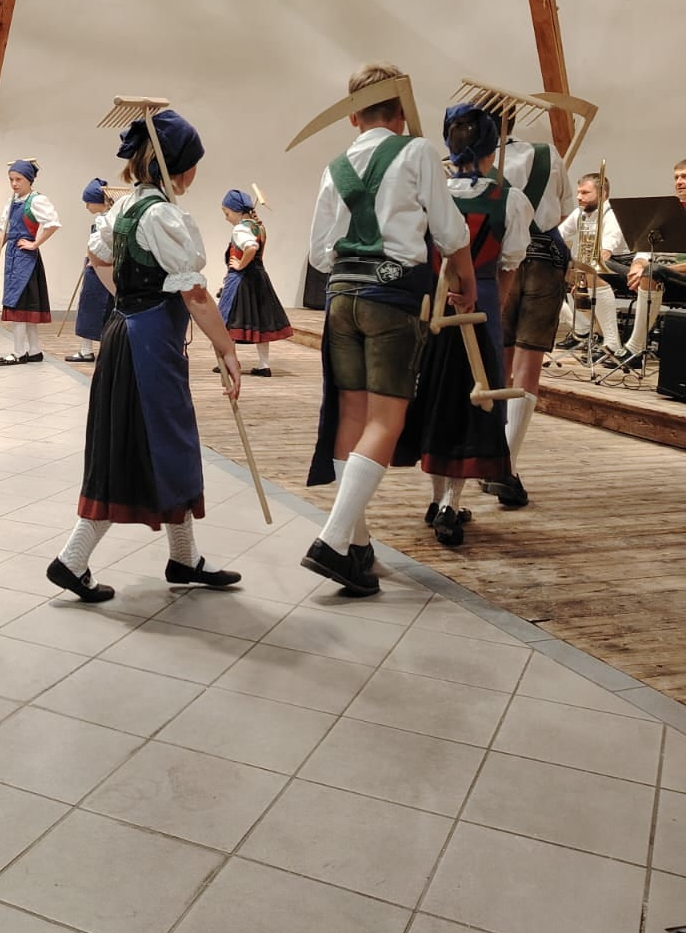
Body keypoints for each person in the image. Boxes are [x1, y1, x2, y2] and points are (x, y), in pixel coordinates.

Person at [47, 109, 242, 604]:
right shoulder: (163, 215)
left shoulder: (126, 207)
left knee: (160, 444)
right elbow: (195, 293)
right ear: (181, 168)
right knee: (146, 447)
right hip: (147, 347)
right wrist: (226, 347)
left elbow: (98, 256)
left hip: (126, 334)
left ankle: (184, 558)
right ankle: (72, 560)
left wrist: (129, 299)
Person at [304, 63, 474, 595]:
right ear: (402, 111)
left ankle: (356, 545)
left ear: (353, 116)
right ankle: (332, 541)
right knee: (386, 419)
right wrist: (466, 283)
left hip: (340, 297)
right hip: (393, 296)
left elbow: (319, 253)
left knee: (351, 415)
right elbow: (450, 232)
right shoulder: (419, 151)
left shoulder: (335, 166)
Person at [399, 106, 533, 548]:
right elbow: (510, 265)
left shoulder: (429, 196)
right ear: (492, 149)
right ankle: (449, 505)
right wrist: (492, 300)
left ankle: (437, 498)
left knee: (436, 397)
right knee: (472, 405)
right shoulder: (509, 199)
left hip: (433, 307)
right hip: (483, 305)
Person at [496, 117, 575, 507]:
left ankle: (486, 458)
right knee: (528, 366)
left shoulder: (476, 160)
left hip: (500, 262)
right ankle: (506, 468)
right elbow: (563, 212)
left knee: (498, 364)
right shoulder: (547, 154)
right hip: (545, 259)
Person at [614, 156, 686, 371]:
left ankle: (635, 348)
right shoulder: (669, 211)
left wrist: (652, 269)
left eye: (684, 177)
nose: (679, 182)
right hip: (652, 271)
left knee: (653, 270)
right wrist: (637, 265)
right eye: (676, 177)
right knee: (599, 266)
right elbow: (646, 245)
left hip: (678, 277)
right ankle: (607, 341)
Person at [216, 188, 292, 376]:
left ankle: (229, 362)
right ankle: (263, 365)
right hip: (259, 277)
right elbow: (259, 253)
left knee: (229, 319)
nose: (226, 218)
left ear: (237, 211)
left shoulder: (241, 228)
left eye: (227, 213)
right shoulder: (259, 227)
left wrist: (240, 265)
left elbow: (251, 247)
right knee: (260, 320)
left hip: (242, 281)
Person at [0, 160, 59, 364]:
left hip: (25, 260)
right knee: (24, 305)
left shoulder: (36, 201)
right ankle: (34, 350)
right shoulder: (11, 201)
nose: (14, 184)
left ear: (29, 180)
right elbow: (4, 230)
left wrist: (35, 243)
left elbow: (53, 224)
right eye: (11, 179)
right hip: (12, 257)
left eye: (18, 179)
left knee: (20, 305)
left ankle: (19, 352)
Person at [558, 172, 627, 360]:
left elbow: (605, 252)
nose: (579, 197)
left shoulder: (612, 214)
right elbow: (559, 235)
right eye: (578, 192)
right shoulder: (580, 212)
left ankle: (612, 342)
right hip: (592, 267)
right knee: (552, 272)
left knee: (589, 272)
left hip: (620, 265)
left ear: (602, 194)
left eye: (585, 193)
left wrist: (582, 271)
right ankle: (581, 329)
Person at [65, 178, 115, 363]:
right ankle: (87, 349)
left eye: (89, 201)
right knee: (89, 308)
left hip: (102, 267)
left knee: (102, 309)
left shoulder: (108, 220)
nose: (86, 206)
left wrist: (96, 258)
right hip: (95, 266)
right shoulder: (103, 219)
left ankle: (101, 350)